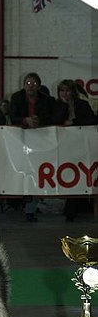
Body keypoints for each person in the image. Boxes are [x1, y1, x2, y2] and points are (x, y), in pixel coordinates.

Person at [10, 72, 54, 222]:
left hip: (41, 141)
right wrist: (25, 120)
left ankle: (32, 207)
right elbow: (12, 116)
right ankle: (26, 204)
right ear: (23, 85)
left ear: (39, 86)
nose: (31, 86)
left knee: (38, 172)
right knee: (25, 172)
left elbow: (52, 117)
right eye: (28, 83)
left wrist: (39, 120)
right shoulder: (16, 98)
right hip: (20, 140)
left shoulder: (48, 100)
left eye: (34, 84)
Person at [53, 79, 97, 222]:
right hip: (62, 147)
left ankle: (74, 208)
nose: (65, 94)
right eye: (62, 91)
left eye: (68, 90)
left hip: (80, 146)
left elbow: (91, 121)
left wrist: (73, 123)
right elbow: (53, 120)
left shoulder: (82, 105)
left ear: (73, 92)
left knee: (79, 175)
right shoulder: (56, 105)